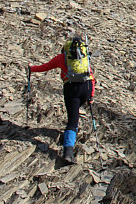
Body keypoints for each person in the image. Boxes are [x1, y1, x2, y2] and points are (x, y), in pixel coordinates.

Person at [28, 36, 96, 164]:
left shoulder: (62, 58)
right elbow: (91, 76)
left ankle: (68, 153)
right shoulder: (84, 57)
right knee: (75, 115)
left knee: (72, 121)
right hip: (86, 88)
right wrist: (91, 96)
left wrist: (32, 68)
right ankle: (71, 135)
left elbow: (45, 67)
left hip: (71, 88)